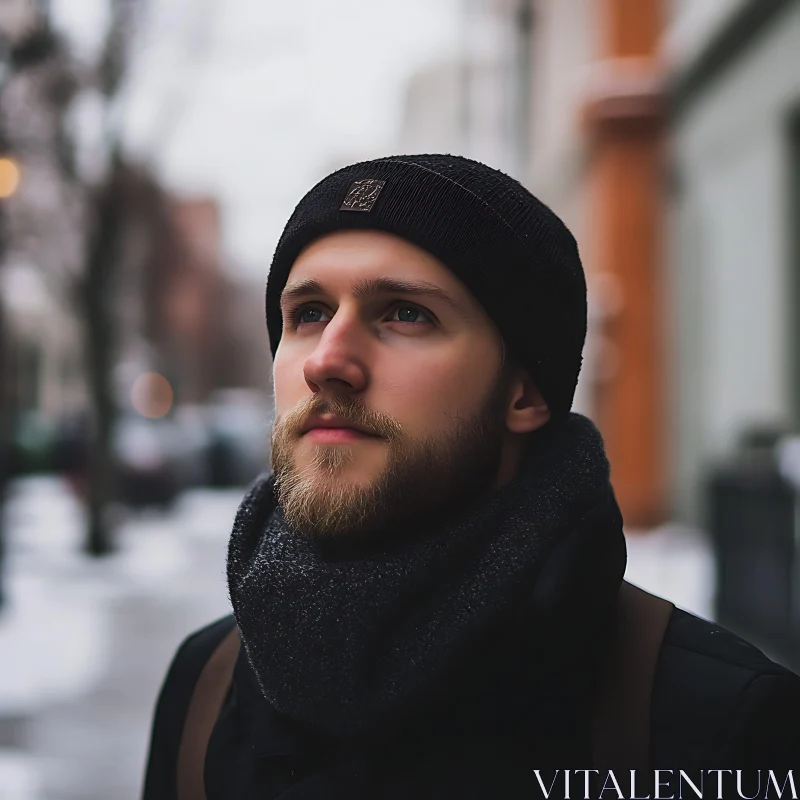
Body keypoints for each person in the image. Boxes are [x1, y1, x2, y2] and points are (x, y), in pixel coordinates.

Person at [142, 155, 800, 799]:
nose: (327, 361)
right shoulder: (205, 690)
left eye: (405, 312)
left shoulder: (714, 723)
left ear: (523, 391)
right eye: (308, 313)